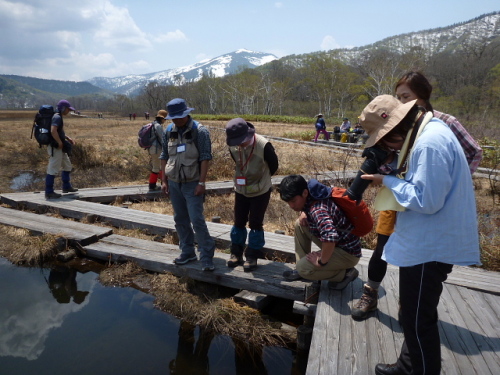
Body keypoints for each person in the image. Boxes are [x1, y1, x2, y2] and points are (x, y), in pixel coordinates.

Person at [359, 95, 480, 375]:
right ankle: (408, 365)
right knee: (415, 313)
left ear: (397, 130)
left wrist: (386, 180)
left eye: (386, 141)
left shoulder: (428, 144)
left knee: (417, 319)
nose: (387, 147)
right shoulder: (429, 132)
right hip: (426, 241)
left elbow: (427, 200)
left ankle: (421, 370)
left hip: (430, 247)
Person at [351, 71, 483, 321]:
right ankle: (374, 293)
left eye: (407, 96)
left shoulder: (439, 126)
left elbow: (472, 154)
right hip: (397, 195)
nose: (402, 103)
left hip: (423, 206)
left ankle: (409, 307)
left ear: (422, 96)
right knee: (383, 247)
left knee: (418, 282)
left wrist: (450, 182)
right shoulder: (399, 129)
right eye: (398, 97)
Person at [160, 98, 216, 272]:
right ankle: (187, 251)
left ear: (186, 113)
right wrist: (163, 180)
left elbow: (205, 157)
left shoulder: (200, 131)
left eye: (179, 116)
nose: (176, 120)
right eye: (174, 117)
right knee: (180, 219)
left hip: (193, 183)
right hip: (174, 182)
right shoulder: (169, 130)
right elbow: (164, 155)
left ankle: (206, 256)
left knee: (196, 219)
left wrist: (202, 182)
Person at [279, 175, 361, 289]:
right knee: (300, 224)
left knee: (304, 269)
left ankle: (346, 273)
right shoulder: (315, 195)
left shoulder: (317, 210)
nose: (291, 206)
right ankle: (302, 267)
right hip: (341, 243)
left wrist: (321, 261)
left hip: (348, 253)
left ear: (304, 193)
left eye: (293, 201)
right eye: (288, 202)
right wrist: (304, 212)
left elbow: (330, 237)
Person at [225, 118, 279, 271]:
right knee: (238, 221)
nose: (238, 144)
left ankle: (252, 255)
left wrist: (260, 179)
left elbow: (274, 165)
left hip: (261, 189)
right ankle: (236, 253)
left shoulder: (263, 145)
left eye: (240, 141)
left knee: (255, 222)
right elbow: (237, 162)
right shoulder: (234, 147)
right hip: (241, 189)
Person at [45, 100, 78, 199]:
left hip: (60, 147)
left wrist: (67, 138)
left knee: (67, 166)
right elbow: (53, 130)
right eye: (68, 109)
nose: (68, 111)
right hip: (56, 147)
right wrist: (59, 142)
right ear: (63, 108)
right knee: (53, 168)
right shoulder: (57, 117)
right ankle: (49, 191)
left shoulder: (58, 117)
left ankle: (66, 187)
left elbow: (59, 131)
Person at [147, 109, 167, 191]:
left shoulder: (153, 124)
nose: (165, 120)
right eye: (165, 119)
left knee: (161, 167)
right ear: (162, 118)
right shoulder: (158, 126)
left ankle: (163, 183)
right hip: (156, 149)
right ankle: (152, 186)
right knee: (156, 168)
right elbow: (163, 138)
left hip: (153, 149)